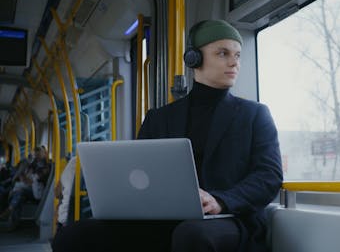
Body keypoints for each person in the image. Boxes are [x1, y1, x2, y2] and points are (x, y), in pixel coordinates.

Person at [52, 19, 283, 252]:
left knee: (191, 235)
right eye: (223, 53)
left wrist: (220, 200)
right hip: (165, 220)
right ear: (194, 59)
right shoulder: (159, 118)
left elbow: (269, 175)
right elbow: (137, 172)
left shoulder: (255, 115)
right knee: (74, 236)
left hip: (230, 218)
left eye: (238, 55)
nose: (234, 62)